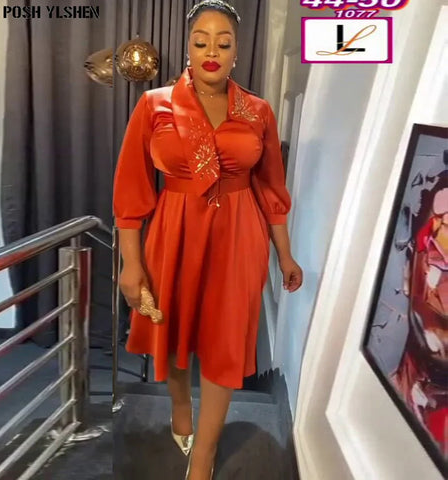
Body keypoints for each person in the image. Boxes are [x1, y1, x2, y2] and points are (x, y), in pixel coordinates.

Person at [113, 1, 303, 478]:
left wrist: (285, 255)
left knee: (225, 341)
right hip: (173, 232)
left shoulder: (257, 111)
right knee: (174, 328)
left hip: (239, 236)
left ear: (237, 52)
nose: (211, 51)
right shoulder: (154, 105)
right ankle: (181, 408)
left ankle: (206, 450)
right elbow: (132, 190)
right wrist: (131, 263)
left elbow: (272, 190)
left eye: (223, 42)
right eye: (201, 41)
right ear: (189, 47)